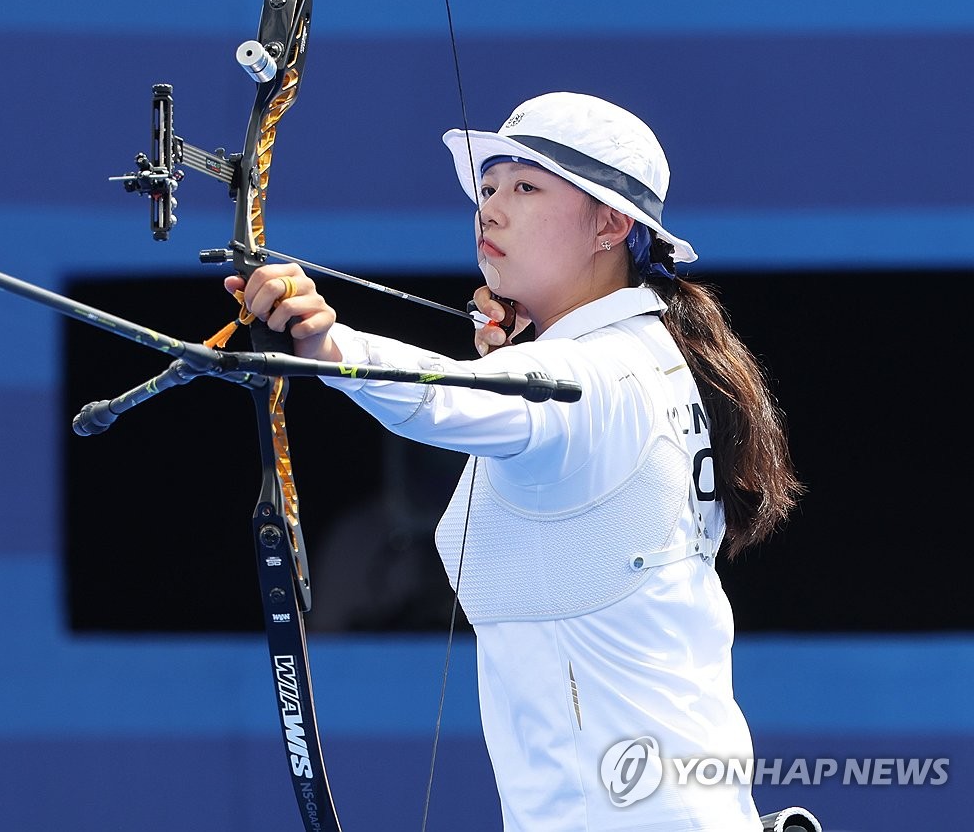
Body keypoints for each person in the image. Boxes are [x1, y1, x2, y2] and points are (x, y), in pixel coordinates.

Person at [225, 92, 804, 831]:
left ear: (611, 223)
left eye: (527, 187)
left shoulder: (603, 374)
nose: (491, 209)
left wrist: (328, 349)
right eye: (489, 188)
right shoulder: (648, 356)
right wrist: (518, 352)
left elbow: (453, 401)